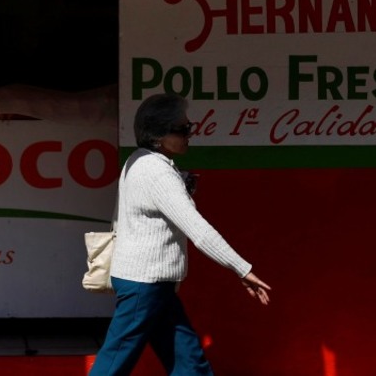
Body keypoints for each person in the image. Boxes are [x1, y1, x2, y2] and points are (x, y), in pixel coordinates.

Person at [89, 93, 271, 376]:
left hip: (153, 283)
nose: (190, 134)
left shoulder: (138, 161)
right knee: (113, 363)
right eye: (183, 129)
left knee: (189, 362)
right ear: (159, 135)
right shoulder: (157, 173)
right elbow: (198, 230)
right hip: (144, 284)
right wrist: (242, 269)